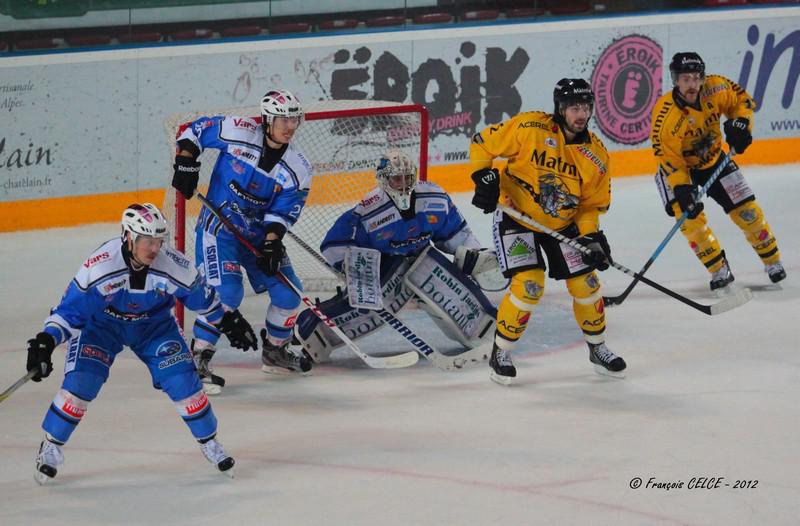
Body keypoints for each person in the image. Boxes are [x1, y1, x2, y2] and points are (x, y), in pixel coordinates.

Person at [25, 204, 258, 484]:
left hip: (154, 327)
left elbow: (203, 300)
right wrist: (46, 341)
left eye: (159, 240)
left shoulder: (173, 264)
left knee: (184, 383)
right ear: (128, 237)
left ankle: (210, 443)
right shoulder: (100, 267)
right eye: (148, 241)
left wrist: (228, 321)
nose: (155, 248)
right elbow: (70, 312)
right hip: (102, 326)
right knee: (81, 383)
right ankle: (51, 446)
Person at [469, 78, 625, 386]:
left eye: (586, 107)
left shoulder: (596, 155)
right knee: (529, 285)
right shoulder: (530, 128)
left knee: (587, 284)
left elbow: (590, 206)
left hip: (562, 224)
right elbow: (481, 142)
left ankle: (598, 348)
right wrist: (483, 177)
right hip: (516, 218)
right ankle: (501, 352)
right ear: (560, 109)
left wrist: (590, 236)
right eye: (574, 108)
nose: (581, 114)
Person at [294, 150, 499, 363]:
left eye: (407, 178)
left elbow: (456, 233)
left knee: (453, 292)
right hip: (388, 268)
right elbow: (334, 245)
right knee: (368, 309)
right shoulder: (369, 210)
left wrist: (475, 256)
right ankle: (313, 331)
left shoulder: (434, 198)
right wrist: (358, 273)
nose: (403, 184)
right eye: (396, 179)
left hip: (422, 263)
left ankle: (485, 330)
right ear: (384, 180)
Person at [171, 89, 314, 393]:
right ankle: (197, 360)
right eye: (283, 120)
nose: (290, 126)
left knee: (290, 294)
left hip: (258, 236)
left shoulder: (298, 167)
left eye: (294, 120)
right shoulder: (239, 131)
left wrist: (272, 243)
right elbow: (194, 131)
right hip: (219, 229)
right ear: (267, 119)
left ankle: (275, 351)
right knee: (227, 293)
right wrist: (186, 163)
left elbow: (282, 211)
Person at [650, 52, 785, 291]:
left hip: (714, 159)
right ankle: (718, 269)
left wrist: (742, 124)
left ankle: (773, 261)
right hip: (678, 170)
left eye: (695, 78)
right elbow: (668, 157)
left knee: (748, 211)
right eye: (685, 79)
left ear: (702, 78)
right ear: (675, 80)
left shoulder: (716, 87)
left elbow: (741, 101)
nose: (691, 85)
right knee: (691, 223)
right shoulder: (665, 114)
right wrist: (681, 187)